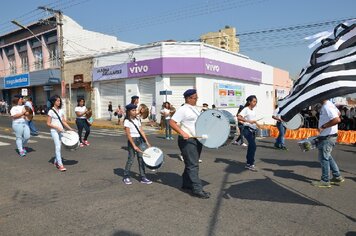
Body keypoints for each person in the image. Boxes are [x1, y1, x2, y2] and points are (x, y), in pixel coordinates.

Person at [169, 89, 211, 199]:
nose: (197, 99)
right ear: (188, 98)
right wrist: (182, 132)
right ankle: (197, 189)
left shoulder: (196, 109)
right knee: (193, 165)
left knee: (191, 163)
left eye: (197, 98)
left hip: (197, 139)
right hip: (187, 140)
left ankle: (186, 184)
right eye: (195, 98)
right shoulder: (183, 109)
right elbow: (172, 122)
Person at [312, 99, 345, 188]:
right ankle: (337, 176)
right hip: (329, 135)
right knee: (327, 156)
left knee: (323, 158)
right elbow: (338, 114)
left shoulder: (327, 106)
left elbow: (337, 119)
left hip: (328, 136)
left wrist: (323, 126)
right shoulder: (330, 105)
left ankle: (325, 180)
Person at [122, 104, 152, 185]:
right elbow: (128, 135)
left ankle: (143, 177)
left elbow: (141, 131)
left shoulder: (137, 119)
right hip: (133, 140)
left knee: (141, 159)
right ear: (128, 112)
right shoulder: (127, 121)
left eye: (135, 110)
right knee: (131, 159)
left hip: (140, 140)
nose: (135, 111)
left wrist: (147, 142)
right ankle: (126, 176)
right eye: (133, 110)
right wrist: (134, 145)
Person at [47, 95, 74, 172]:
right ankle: (60, 164)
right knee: (58, 146)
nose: (59, 102)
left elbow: (63, 121)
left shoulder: (61, 110)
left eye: (59, 101)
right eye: (57, 101)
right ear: (53, 102)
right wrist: (56, 127)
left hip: (61, 131)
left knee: (59, 146)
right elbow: (48, 123)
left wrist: (70, 128)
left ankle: (56, 161)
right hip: (54, 131)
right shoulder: (51, 111)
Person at [237, 95, 261, 172]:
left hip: (253, 130)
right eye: (254, 101)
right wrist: (248, 121)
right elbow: (239, 117)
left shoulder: (253, 110)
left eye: (256, 101)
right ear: (249, 102)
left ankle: (248, 163)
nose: (255, 103)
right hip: (246, 129)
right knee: (253, 146)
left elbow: (252, 120)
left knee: (251, 146)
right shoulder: (246, 109)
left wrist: (257, 125)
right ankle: (251, 164)